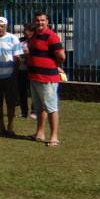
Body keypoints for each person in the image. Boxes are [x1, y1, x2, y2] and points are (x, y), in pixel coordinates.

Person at [28, 12, 65, 147]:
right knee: (39, 108)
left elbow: (61, 56)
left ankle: (54, 137)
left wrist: (53, 65)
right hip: (34, 77)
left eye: (42, 20)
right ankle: (40, 133)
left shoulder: (52, 37)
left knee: (51, 107)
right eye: (37, 20)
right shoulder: (34, 36)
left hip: (47, 78)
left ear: (47, 21)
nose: (40, 23)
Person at [17, 23, 34, 119]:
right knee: (22, 91)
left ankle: (34, 111)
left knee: (33, 92)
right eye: (24, 30)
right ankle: (24, 111)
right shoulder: (20, 41)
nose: (24, 32)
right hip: (21, 69)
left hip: (32, 70)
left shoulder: (35, 41)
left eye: (26, 30)